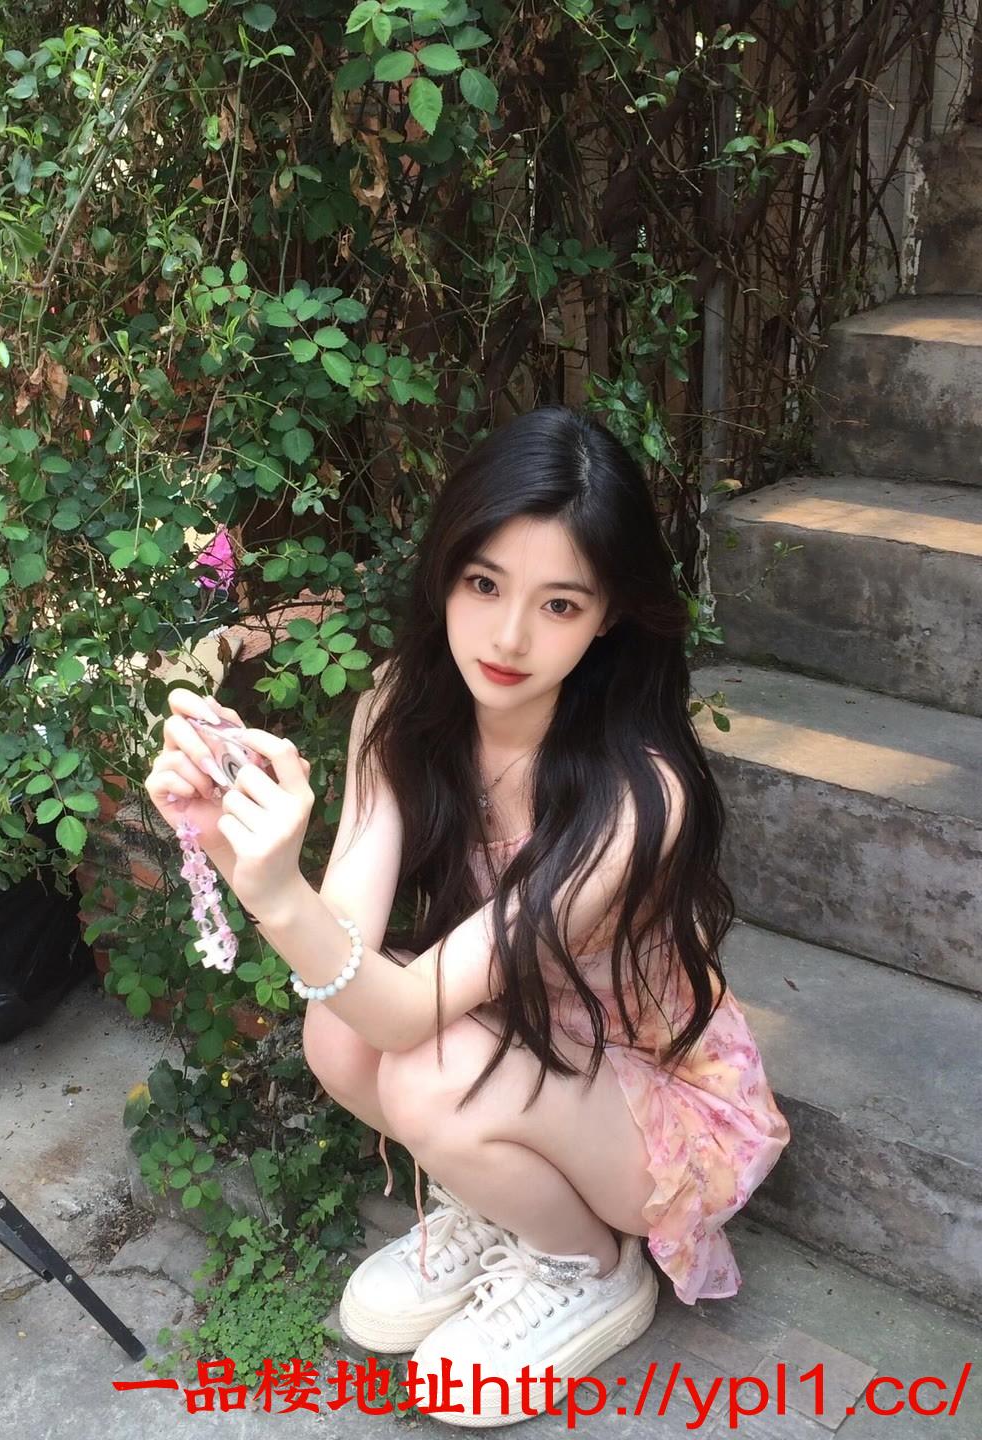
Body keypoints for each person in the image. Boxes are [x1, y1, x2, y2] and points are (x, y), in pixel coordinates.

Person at [144, 404, 791, 1427]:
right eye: (484, 583)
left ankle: (586, 1264)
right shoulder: (404, 704)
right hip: (521, 1047)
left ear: (609, 616)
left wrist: (273, 892)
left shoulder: (637, 796)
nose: (508, 636)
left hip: (657, 1118)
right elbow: (347, 946)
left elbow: (405, 1013)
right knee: (337, 1036)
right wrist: (235, 843)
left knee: (426, 1069)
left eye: (560, 604)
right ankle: (503, 1203)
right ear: (446, 569)